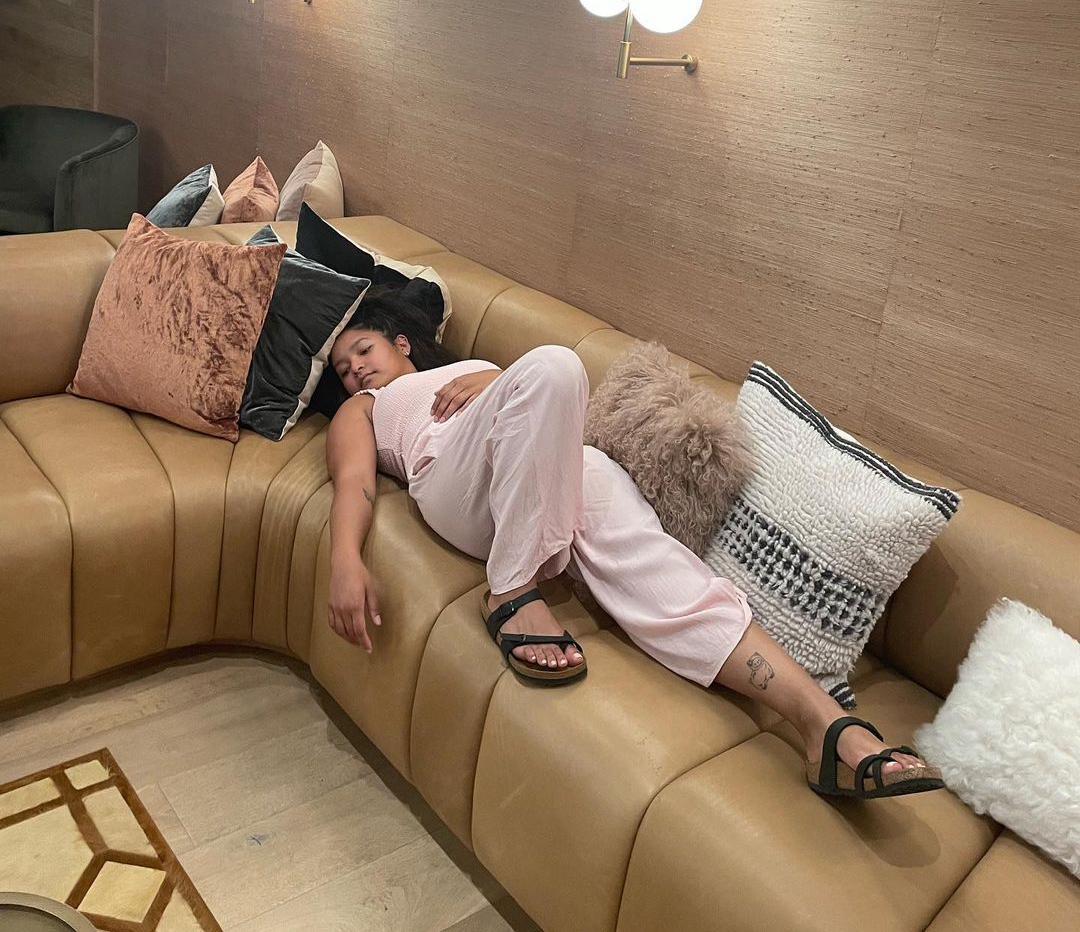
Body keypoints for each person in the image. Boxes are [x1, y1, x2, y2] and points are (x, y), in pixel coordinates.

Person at [324, 292, 944, 801]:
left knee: (661, 569)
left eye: (362, 350)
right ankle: (510, 587)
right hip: (456, 480)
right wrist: (345, 560)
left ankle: (822, 725)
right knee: (556, 365)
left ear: (401, 343)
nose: (355, 370)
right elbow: (354, 484)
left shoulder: (471, 370)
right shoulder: (367, 407)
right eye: (344, 370)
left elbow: (538, 408)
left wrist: (491, 380)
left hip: (552, 468)